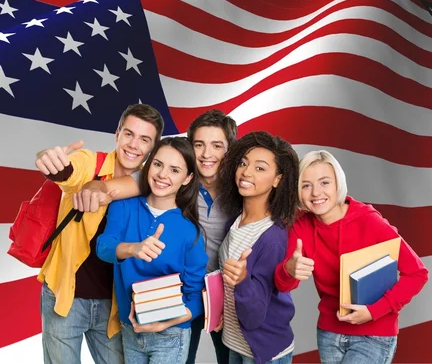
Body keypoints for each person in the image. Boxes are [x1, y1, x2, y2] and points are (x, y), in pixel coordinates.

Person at [70, 109, 237, 363]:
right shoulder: (154, 183)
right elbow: (112, 193)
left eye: (216, 145)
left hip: (223, 292)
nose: (206, 154)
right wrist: (95, 186)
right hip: (162, 306)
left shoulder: (240, 187)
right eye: (199, 145)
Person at [35, 104, 164, 364]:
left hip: (112, 305)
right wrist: (51, 161)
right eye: (128, 134)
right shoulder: (88, 162)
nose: (133, 145)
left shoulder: (152, 184)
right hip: (65, 296)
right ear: (117, 134)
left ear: (153, 147)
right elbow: (68, 173)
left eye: (144, 139)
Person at [274, 150, 429, 364]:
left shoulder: (369, 221)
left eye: (324, 182)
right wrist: (288, 270)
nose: (315, 192)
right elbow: (283, 285)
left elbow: (417, 274)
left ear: (338, 183)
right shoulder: (301, 227)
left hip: (373, 334)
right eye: (306, 185)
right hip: (329, 333)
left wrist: (375, 311)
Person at [96, 137, 209, 364]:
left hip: (171, 334)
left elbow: (196, 297)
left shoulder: (190, 232)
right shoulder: (124, 206)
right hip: (130, 328)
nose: (162, 175)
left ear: (187, 178)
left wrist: (165, 323)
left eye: (174, 170)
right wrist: (133, 248)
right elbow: (103, 247)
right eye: (158, 164)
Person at [217, 131, 298, 364]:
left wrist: (242, 281)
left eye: (260, 168)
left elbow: (254, 316)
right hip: (235, 343)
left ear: (277, 179)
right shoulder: (235, 221)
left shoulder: (272, 238)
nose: (246, 172)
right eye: (243, 163)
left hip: (263, 353)